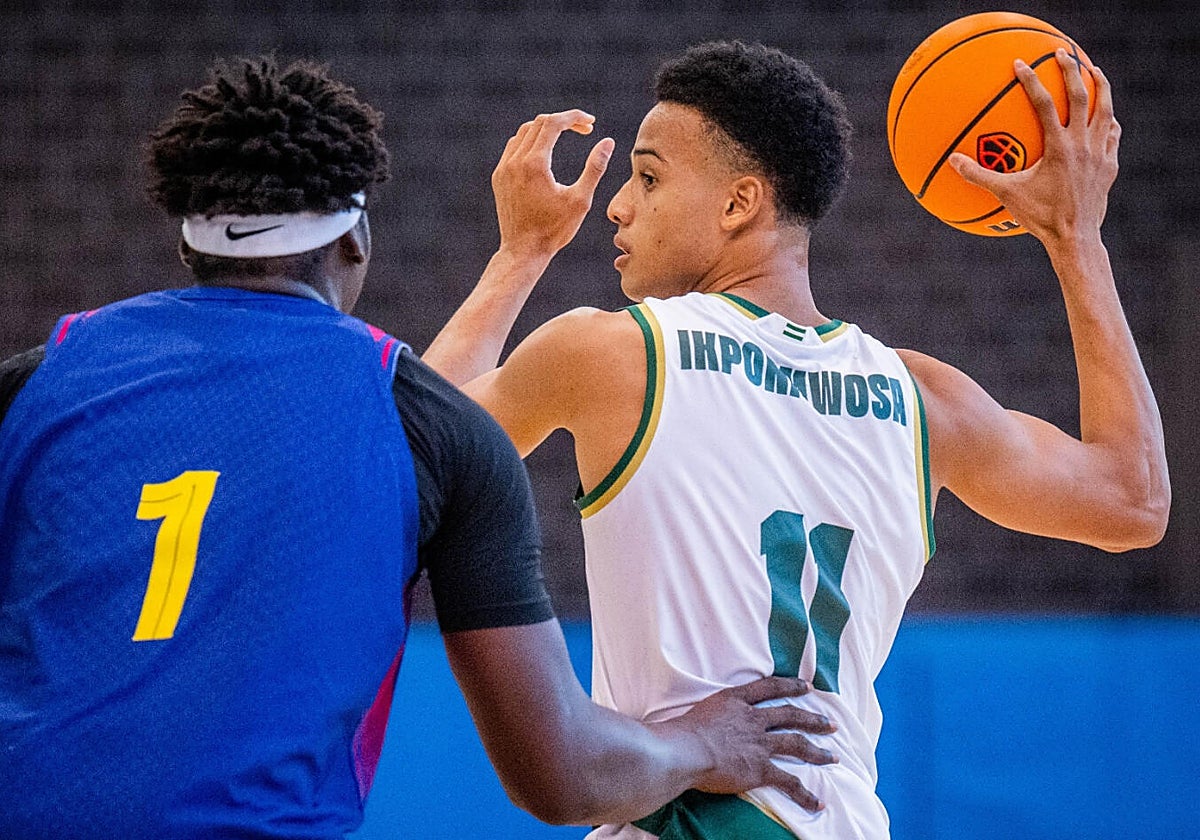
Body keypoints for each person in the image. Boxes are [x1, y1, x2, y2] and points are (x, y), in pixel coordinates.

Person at [0, 56, 841, 839]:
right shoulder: (421, 429)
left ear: (187, 239)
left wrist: (522, 254)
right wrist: (705, 744)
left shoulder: (35, 383)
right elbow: (562, 774)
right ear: (354, 241)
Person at [422, 40, 1170, 838]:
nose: (618, 206)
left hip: (700, 818)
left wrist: (520, 253)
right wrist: (1076, 238)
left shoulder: (612, 352)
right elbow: (1133, 500)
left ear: (739, 203)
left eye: (648, 177)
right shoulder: (922, 398)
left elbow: (414, 453)